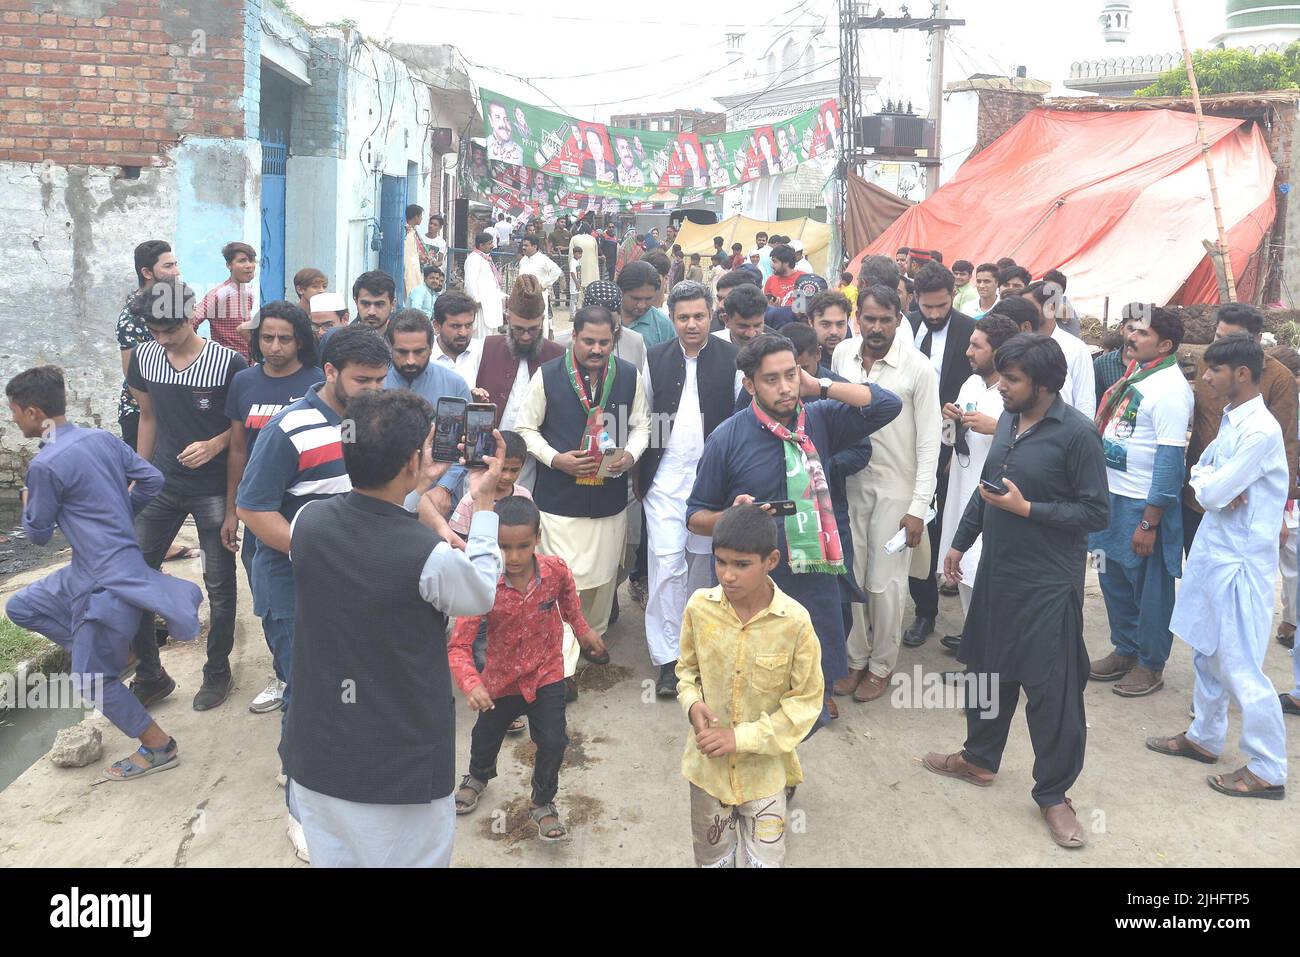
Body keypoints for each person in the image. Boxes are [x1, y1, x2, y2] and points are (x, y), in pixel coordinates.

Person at [280, 389, 504, 867]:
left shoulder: (306, 523)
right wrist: (482, 503)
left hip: (319, 750)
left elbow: (367, 529)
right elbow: (481, 592)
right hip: (401, 762)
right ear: (410, 461)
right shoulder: (429, 557)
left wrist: (412, 485)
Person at [927, 334, 1110, 849]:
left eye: (1012, 380)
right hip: (998, 575)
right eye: (1001, 376)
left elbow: (1097, 513)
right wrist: (960, 547)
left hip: (1049, 584)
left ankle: (1054, 794)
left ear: (1044, 384)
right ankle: (979, 759)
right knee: (986, 672)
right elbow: (989, 490)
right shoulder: (1008, 420)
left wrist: (1031, 511)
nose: (1001, 386)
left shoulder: (1077, 435)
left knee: (1052, 693)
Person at [688, 334, 901, 728]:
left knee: (810, 699)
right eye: (772, 379)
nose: (785, 387)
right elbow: (695, 517)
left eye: (791, 375)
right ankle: (761, 780)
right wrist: (732, 516)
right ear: (749, 385)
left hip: (815, 582)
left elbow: (888, 404)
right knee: (756, 697)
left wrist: (820, 385)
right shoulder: (727, 438)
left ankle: (782, 772)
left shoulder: (819, 417)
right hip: (759, 589)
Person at [4, 366, 203, 780]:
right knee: (22, 604)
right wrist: (120, 514)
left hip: (103, 581)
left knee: (92, 680)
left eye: (14, 411)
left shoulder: (45, 466)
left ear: (34, 411)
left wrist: (28, 499)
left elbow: (38, 535)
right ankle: (116, 650)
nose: (13, 419)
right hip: (94, 566)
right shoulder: (102, 439)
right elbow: (151, 478)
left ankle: (158, 746)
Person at [236, 327, 391, 857]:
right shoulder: (289, 429)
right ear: (329, 373)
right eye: (362, 380)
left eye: (380, 380)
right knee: (306, 696)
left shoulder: (370, 423)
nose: (373, 390)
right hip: (294, 588)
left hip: (354, 584)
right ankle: (300, 811)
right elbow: (253, 508)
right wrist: (312, 552)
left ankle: (339, 783)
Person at [1146, 334, 1289, 800]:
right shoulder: (1233, 419)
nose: (1205, 377)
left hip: (1241, 564)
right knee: (1207, 652)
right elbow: (1202, 479)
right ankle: (1205, 738)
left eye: (1213, 370)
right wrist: (1214, 484)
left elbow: (1206, 493)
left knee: (1241, 666)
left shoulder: (1260, 431)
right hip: (1214, 552)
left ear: (1241, 374)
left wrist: (1213, 486)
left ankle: (1268, 767)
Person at [514, 305, 651, 701]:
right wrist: (556, 458)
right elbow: (525, 427)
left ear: (615, 339)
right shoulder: (549, 375)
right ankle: (563, 668)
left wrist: (632, 455)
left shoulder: (627, 375)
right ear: (573, 336)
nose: (596, 349)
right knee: (561, 585)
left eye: (604, 342)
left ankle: (591, 638)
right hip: (559, 501)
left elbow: (642, 424)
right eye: (588, 341)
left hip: (608, 499)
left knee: (602, 582)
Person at [449, 495, 606, 840]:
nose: (514, 557)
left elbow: (569, 603)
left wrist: (582, 630)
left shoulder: (556, 571)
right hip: (499, 680)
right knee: (485, 736)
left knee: (554, 741)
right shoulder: (483, 582)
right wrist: (470, 682)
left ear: (537, 538)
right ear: (492, 544)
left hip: (546, 673)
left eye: (522, 545)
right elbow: (460, 643)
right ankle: (478, 775)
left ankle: (543, 802)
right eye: (504, 547)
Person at [676, 504, 824, 868]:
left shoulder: (795, 623)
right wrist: (693, 704)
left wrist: (738, 738)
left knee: (765, 861)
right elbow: (686, 671)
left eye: (742, 565)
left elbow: (805, 704)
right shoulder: (699, 608)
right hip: (708, 775)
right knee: (713, 861)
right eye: (721, 561)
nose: (728, 575)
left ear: (771, 560)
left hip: (765, 778)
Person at [126, 281, 247, 711]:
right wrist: (138, 475)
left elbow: (240, 431)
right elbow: (148, 416)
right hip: (161, 484)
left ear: (191, 315)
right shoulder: (144, 357)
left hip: (213, 487)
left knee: (219, 582)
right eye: (154, 329)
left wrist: (213, 446)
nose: (163, 337)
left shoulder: (228, 362)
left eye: (171, 328)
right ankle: (150, 673)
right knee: (132, 575)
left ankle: (217, 670)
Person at [830, 285, 940, 701]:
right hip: (850, 484)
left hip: (897, 489)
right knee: (852, 578)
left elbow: (930, 443)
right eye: (869, 319)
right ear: (858, 318)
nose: (876, 328)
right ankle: (854, 660)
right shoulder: (844, 355)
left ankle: (881, 666)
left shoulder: (918, 369)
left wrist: (918, 506)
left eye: (886, 320)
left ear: (900, 319)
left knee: (886, 584)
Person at [641, 281, 741, 698]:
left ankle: (696, 653)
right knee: (666, 566)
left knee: (703, 570)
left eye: (699, 316)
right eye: (683, 317)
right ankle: (667, 659)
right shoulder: (656, 358)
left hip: (710, 482)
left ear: (712, 314)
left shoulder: (732, 359)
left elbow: (740, 418)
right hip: (664, 479)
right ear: (672, 318)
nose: (691, 324)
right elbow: (642, 415)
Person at [1088, 308, 1194, 698]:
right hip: (1111, 497)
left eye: (1141, 332)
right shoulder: (1137, 373)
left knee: (1149, 589)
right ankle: (1125, 650)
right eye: (1131, 329)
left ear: (1164, 345)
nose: (1131, 336)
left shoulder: (1169, 389)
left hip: (1142, 505)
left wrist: (1150, 522)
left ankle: (1150, 664)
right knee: (1111, 578)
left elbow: (1169, 463)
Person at [223, 301, 323, 714]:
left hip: (308, 515)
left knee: (313, 601)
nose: (276, 346)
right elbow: (237, 450)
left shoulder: (317, 382)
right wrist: (231, 510)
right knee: (269, 601)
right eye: (267, 338)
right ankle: (284, 675)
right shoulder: (244, 382)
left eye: (285, 338)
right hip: (258, 511)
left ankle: (315, 679)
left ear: (300, 340)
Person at [1184, 303, 1299, 555]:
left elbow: (1286, 446)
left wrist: (1280, 511)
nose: (1220, 348)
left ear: (1256, 340)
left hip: (1242, 503)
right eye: (1217, 337)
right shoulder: (1208, 363)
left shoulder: (1279, 379)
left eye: (1231, 340)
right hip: (1197, 496)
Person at [936, 313, 1021, 649]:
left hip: (995, 505)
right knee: (965, 578)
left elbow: (1040, 444)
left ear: (998, 351)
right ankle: (975, 653)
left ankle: (992, 661)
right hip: (961, 497)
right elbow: (948, 441)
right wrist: (949, 422)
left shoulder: (1014, 393)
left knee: (991, 584)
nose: (968, 352)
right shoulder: (970, 384)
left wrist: (997, 428)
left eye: (976, 346)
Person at [903, 263, 975, 648]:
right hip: (902, 443)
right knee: (910, 525)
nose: (933, 314)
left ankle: (932, 611)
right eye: (926, 307)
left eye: (941, 306)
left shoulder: (969, 331)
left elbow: (973, 392)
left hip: (947, 447)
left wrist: (950, 445)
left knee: (936, 526)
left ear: (952, 297)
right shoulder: (905, 325)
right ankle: (918, 606)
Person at [118, 240, 180, 452]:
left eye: (175, 264)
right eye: (168, 266)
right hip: (143, 413)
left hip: (171, 409)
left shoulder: (175, 303)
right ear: (147, 272)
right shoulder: (132, 317)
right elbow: (132, 376)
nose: (176, 272)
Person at [430, 430, 534, 549]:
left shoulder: (525, 496)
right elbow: (456, 542)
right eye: (502, 469)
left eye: (514, 470)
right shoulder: (469, 502)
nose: (507, 476)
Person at [1022, 281, 1096, 418]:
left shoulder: (1075, 348)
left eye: (1030, 308)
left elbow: (1085, 401)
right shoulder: (1019, 346)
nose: (1025, 313)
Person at [385, 309, 472, 406]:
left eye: (418, 352)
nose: (410, 361)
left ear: (431, 347)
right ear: (390, 348)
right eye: (402, 352)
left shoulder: (456, 385)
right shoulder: (375, 385)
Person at [193, 241, 257, 360]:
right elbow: (193, 321)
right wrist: (197, 352)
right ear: (229, 265)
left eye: (252, 260)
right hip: (226, 362)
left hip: (248, 361)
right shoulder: (220, 294)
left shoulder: (249, 292)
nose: (249, 265)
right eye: (242, 261)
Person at [430, 291, 484, 389]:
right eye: (455, 326)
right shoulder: (425, 358)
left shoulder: (483, 353)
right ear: (437, 326)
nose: (463, 333)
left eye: (468, 325)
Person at [618, 261, 675, 348]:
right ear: (621, 291)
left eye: (648, 299)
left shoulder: (663, 325)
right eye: (635, 299)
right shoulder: (605, 318)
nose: (642, 305)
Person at [1092, 306, 1141, 407]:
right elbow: (1095, 402)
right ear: (1122, 329)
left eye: (1142, 331)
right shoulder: (1102, 364)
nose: (1135, 336)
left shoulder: (1152, 366)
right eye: (1131, 329)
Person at [519, 234, 563, 330]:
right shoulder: (523, 260)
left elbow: (556, 271)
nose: (523, 248)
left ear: (534, 247)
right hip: (524, 297)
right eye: (523, 245)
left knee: (540, 324)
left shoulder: (543, 259)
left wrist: (543, 285)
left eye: (526, 245)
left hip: (538, 296)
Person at [466, 231, 504, 338]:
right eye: (490, 243)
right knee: (481, 338)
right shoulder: (473, 259)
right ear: (481, 245)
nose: (492, 246)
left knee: (491, 338)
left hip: (491, 304)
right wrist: (475, 300)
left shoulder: (486, 259)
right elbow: (470, 282)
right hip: (481, 305)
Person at [808, 290, 852, 369]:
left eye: (840, 324)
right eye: (826, 324)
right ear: (811, 322)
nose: (834, 332)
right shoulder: (802, 361)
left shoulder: (861, 359)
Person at [403, 204, 433, 302]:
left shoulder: (413, 232)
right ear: (416, 216)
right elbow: (408, 255)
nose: (421, 219)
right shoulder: (408, 233)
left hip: (415, 268)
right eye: (420, 216)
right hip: (410, 269)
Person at [486, 100, 524, 164]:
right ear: (490, 120)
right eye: (498, 117)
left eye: (506, 119)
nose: (503, 124)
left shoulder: (520, 152)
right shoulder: (485, 144)